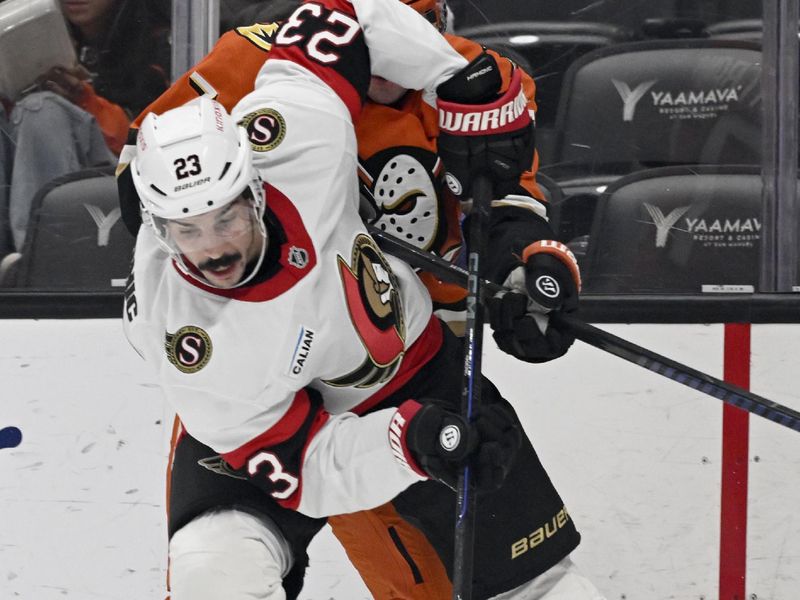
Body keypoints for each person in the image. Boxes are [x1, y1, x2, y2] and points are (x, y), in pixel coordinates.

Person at [119, 1, 600, 599]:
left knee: (537, 588)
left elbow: (510, 197)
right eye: (187, 229)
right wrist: (405, 439)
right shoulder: (193, 346)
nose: (212, 248)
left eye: (424, 19)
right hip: (274, 404)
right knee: (214, 571)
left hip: (412, 364)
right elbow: (305, 463)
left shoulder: (330, 120)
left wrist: (524, 267)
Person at [0, 0, 169, 256]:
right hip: (27, 179)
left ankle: (41, 258)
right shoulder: (30, 32)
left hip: (128, 179)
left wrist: (83, 100)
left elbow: (150, 141)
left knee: (42, 110)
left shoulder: (161, 39)